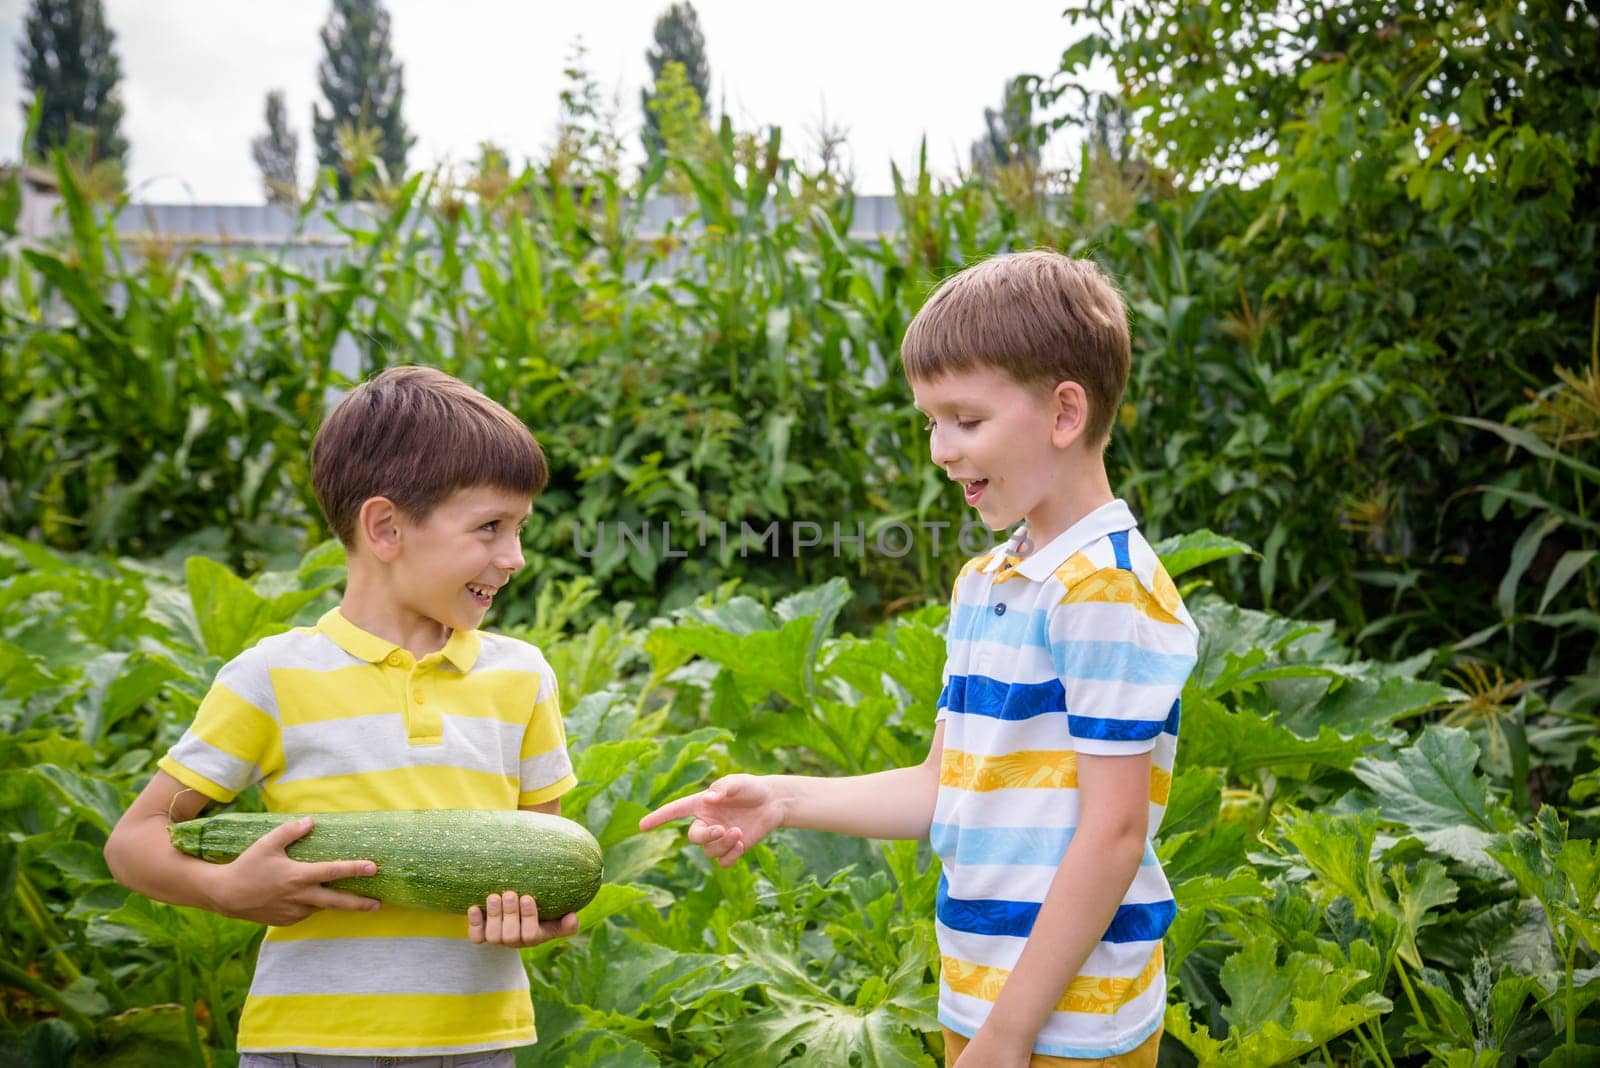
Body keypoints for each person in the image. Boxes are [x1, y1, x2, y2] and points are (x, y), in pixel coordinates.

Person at [640, 251, 1198, 1067]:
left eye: (965, 421)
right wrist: (783, 801)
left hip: (1071, 1022)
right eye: (929, 422)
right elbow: (941, 786)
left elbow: (1113, 836)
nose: (940, 449)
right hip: (981, 997)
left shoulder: (1103, 590)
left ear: (1065, 413)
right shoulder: (989, 582)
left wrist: (1010, 1035)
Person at [104, 365, 579, 1067]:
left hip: (475, 1045)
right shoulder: (270, 678)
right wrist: (226, 889)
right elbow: (134, 841)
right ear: (385, 527)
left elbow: (552, 858)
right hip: (306, 1045)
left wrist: (538, 917)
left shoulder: (521, 677)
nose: (514, 557)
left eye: (520, 528)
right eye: (490, 527)